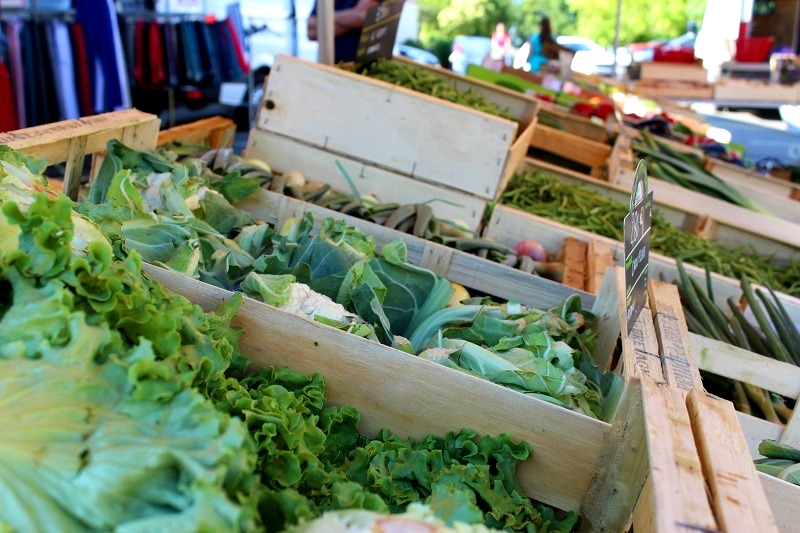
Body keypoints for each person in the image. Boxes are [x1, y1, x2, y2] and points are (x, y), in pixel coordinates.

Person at [307, 0, 379, 63]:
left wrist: (325, 17)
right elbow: (312, 31)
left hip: (366, 66)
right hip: (329, 66)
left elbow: (364, 16)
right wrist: (351, 18)